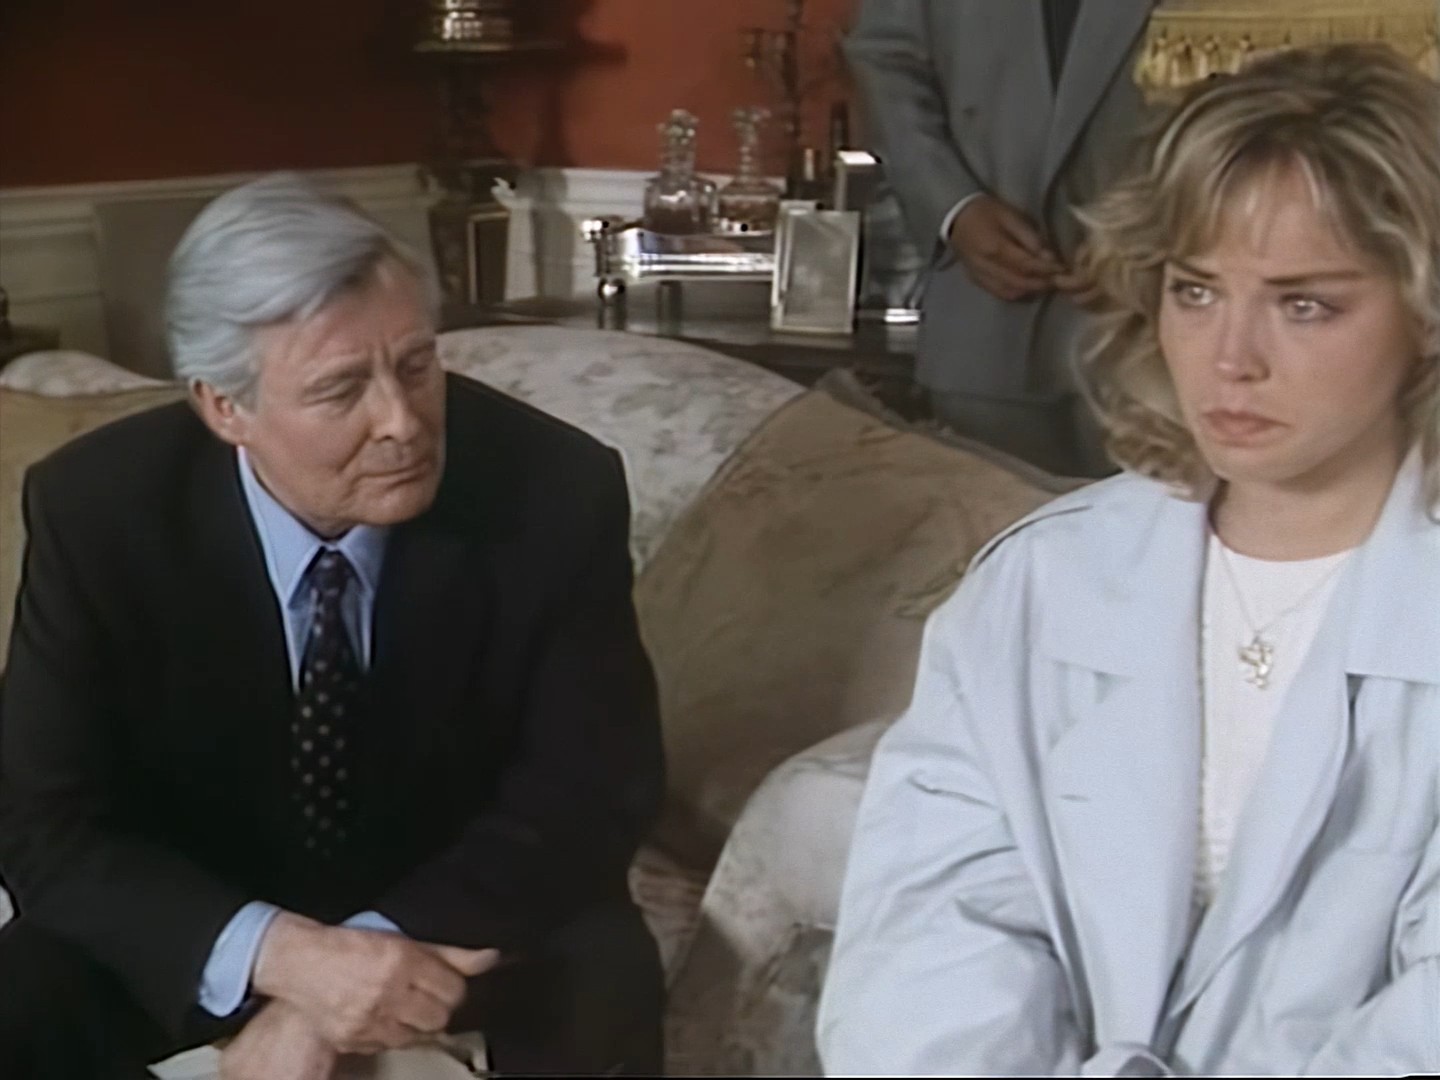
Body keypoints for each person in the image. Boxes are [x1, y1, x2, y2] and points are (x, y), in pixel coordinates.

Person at [818, 43, 1440, 1075]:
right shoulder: (1042, 583)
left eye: (1304, 304)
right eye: (1196, 292)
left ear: (1425, 315)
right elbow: (930, 941)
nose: (1231, 358)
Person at [0, 173, 665, 1079]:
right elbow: (41, 819)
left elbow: (590, 790)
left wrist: (343, 992)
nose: (402, 422)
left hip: (449, 905)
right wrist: (285, 960)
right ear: (224, 406)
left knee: (604, 967)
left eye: (417, 366)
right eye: (341, 389)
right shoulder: (100, 510)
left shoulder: (554, 488)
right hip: (209, 901)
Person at [844, 0, 1157, 476]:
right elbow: (885, 59)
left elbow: (1264, 85)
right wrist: (953, 208)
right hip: (985, 325)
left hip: (1156, 332)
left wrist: (1159, 230)